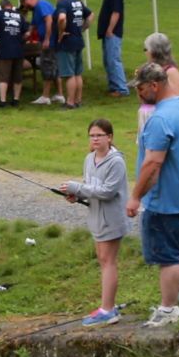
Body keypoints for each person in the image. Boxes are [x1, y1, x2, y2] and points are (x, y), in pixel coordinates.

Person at [126, 63, 179, 326]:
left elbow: (153, 165)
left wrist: (135, 197)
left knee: (168, 257)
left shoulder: (160, 119)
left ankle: (168, 310)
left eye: (140, 89)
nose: (138, 94)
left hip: (167, 201)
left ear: (154, 86)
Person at [61, 118, 129, 327]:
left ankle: (107, 310)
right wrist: (76, 196)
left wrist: (77, 188)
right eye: (92, 135)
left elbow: (108, 192)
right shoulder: (89, 159)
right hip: (96, 218)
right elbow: (91, 189)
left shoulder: (117, 162)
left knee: (108, 261)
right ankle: (107, 306)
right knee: (102, 259)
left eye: (99, 135)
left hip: (112, 219)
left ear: (110, 137)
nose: (95, 139)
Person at [51, 0, 91, 108]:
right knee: (78, 73)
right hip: (78, 40)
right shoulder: (77, 2)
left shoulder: (62, 3)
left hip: (67, 42)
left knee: (69, 74)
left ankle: (70, 102)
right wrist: (83, 28)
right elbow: (90, 15)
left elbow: (62, 18)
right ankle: (78, 100)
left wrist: (61, 32)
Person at [95, 0, 127, 98]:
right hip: (107, 33)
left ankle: (121, 88)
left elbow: (116, 12)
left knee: (113, 60)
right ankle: (113, 86)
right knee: (108, 60)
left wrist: (110, 29)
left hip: (112, 33)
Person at [0, 0, 27, 106]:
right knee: (17, 76)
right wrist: (20, 40)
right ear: (11, 6)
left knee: (3, 76)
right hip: (18, 50)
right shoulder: (20, 15)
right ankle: (16, 100)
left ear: (1, 7)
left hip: (4, 49)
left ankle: (3, 101)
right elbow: (26, 32)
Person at [28, 0, 58, 105]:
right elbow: (32, 26)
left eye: (25, 3)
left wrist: (47, 39)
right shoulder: (36, 9)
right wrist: (26, 34)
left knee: (47, 66)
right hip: (47, 41)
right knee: (53, 67)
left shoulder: (41, 5)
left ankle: (45, 96)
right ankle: (59, 94)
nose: (26, 7)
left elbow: (49, 20)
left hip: (49, 43)